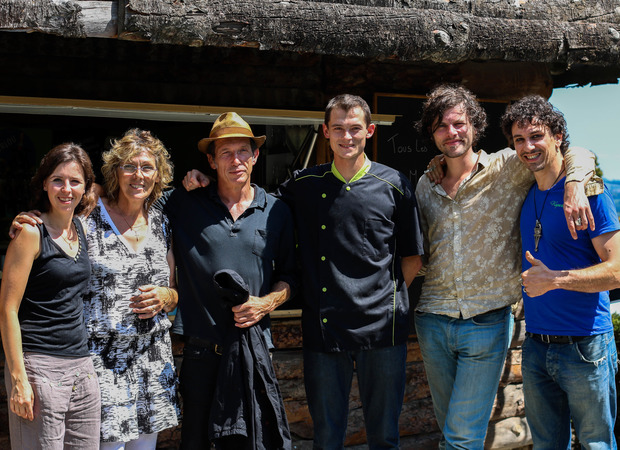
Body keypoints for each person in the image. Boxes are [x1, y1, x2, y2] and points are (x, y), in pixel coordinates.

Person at [184, 94, 424, 449]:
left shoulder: (395, 184)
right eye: (338, 128)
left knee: (385, 436)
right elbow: (252, 198)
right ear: (325, 132)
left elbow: (411, 258)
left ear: (370, 131)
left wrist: (380, 297)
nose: (347, 137)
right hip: (323, 331)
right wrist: (206, 179)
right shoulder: (303, 184)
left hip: (382, 332)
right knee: (326, 437)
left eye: (355, 128)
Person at [414, 84, 598, 449]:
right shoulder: (424, 184)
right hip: (432, 320)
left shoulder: (507, 166)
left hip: (486, 321)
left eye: (458, 123)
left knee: (460, 437)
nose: (451, 133)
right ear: (432, 134)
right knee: (450, 427)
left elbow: (578, 151)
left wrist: (575, 182)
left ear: (474, 125)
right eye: (441, 126)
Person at [9, 129, 181, 449]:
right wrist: (29, 221)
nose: (138, 175)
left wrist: (169, 296)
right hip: (101, 362)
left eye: (147, 167)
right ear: (115, 172)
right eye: (129, 166)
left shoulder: (162, 221)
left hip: (152, 361)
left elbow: (173, 288)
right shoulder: (89, 213)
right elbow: (54, 226)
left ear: (159, 175)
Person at [165, 112, 296, 449]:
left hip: (254, 352)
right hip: (200, 354)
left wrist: (266, 303)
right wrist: (40, 217)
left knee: (253, 442)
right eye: (225, 153)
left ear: (255, 156)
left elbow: (290, 277)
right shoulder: (184, 202)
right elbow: (124, 198)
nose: (235, 160)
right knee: (196, 442)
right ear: (210, 160)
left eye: (243, 151)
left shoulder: (277, 210)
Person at [501, 95, 620, 449]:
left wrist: (554, 279)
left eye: (536, 136)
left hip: (586, 346)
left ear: (557, 137)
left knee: (596, 443)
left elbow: (617, 272)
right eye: (519, 140)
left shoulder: (590, 194)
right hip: (536, 347)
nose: (528, 147)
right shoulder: (525, 191)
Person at [0, 143, 101, 449]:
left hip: (82, 369)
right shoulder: (31, 232)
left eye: (75, 181)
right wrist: (19, 378)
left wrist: (196, 180)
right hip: (38, 366)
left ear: (86, 187)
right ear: (44, 183)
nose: (66, 189)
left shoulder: (81, 228)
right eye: (57, 180)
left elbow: (133, 191)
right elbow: (7, 310)